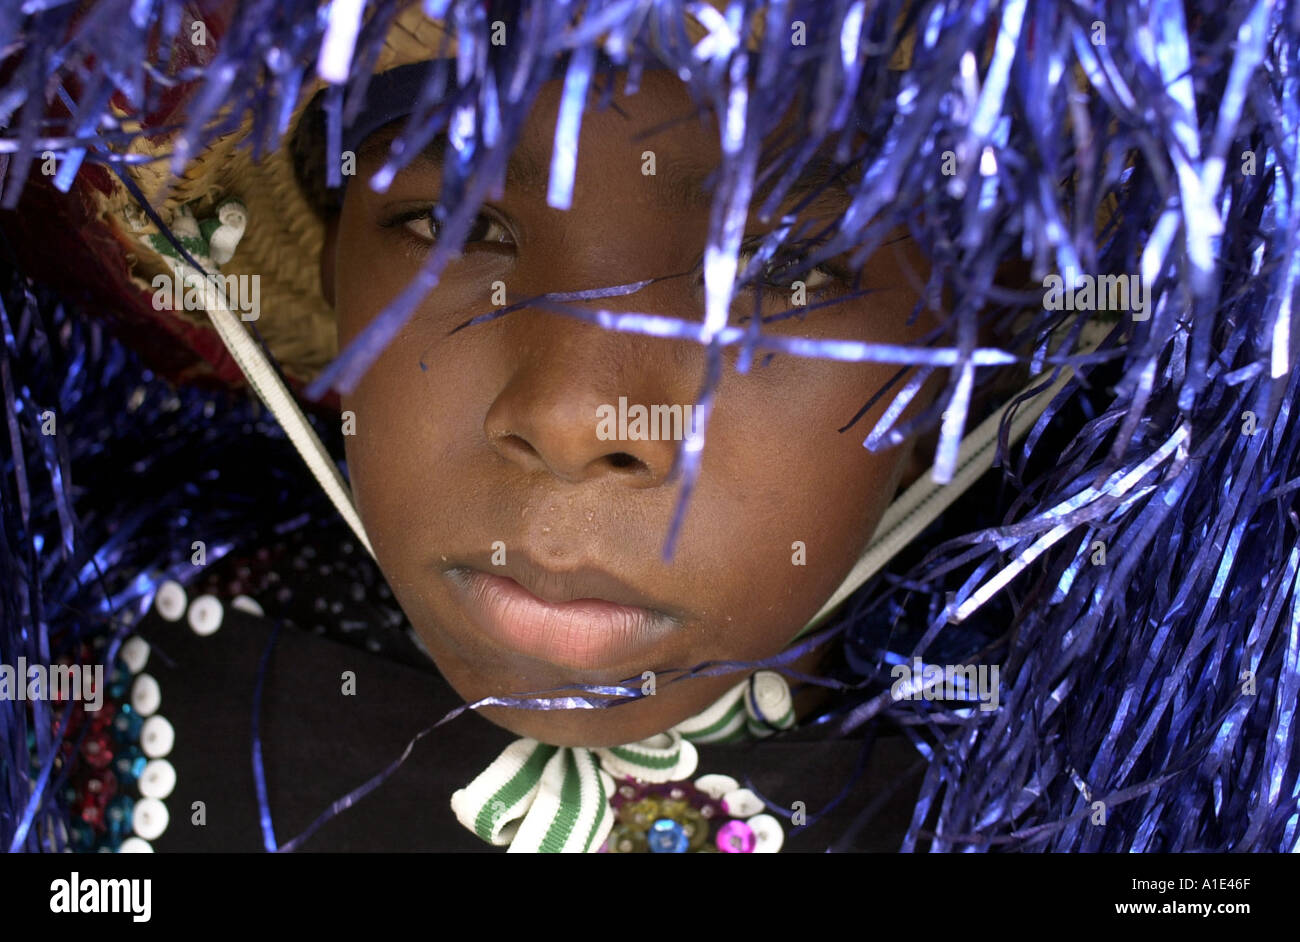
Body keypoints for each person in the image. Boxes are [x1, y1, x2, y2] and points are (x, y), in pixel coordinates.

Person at [2, 0, 1295, 854]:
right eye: (461, 227)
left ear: (962, 359)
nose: (568, 416)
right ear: (329, 276)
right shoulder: (72, 740)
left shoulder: (1096, 806)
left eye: (780, 274)